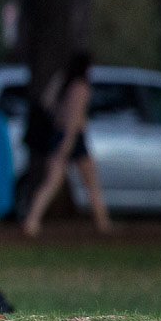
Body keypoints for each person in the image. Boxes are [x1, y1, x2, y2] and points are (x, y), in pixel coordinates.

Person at [22, 51, 113, 238]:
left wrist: (58, 113)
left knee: (53, 182)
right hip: (73, 137)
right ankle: (102, 224)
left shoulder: (64, 83)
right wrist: (68, 142)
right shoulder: (81, 87)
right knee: (88, 182)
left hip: (59, 134)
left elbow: (46, 102)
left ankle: (32, 221)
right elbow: (74, 117)